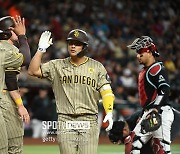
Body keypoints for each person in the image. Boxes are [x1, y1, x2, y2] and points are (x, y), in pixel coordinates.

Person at [28, 29, 114, 154]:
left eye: (77, 43)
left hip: (88, 119)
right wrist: (41, 50)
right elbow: (32, 71)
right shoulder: (57, 65)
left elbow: (107, 92)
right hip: (65, 119)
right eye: (70, 43)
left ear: (85, 47)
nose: (73, 46)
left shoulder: (97, 67)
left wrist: (109, 112)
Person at [127, 36, 174, 154]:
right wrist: (145, 113)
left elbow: (164, 89)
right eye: (137, 53)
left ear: (149, 52)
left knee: (161, 149)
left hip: (160, 112)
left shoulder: (157, 68)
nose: (137, 56)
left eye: (140, 53)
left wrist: (155, 108)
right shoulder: (145, 70)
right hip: (150, 113)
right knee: (133, 144)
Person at [0, 15, 30, 153]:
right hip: (4, 101)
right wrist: (22, 35)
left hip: (7, 97)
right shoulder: (6, 49)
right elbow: (26, 58)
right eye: (16, 27)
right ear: (9, 31)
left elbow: (10, 79)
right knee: (12, 148)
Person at [108, 108, 180, 154]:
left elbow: (155, 123)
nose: (120, 141)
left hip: (171, 119)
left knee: (158, 145)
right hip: (158, 123)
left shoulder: (138, 119)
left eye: (120, 137)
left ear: (125, 129)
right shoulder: (130, 128)